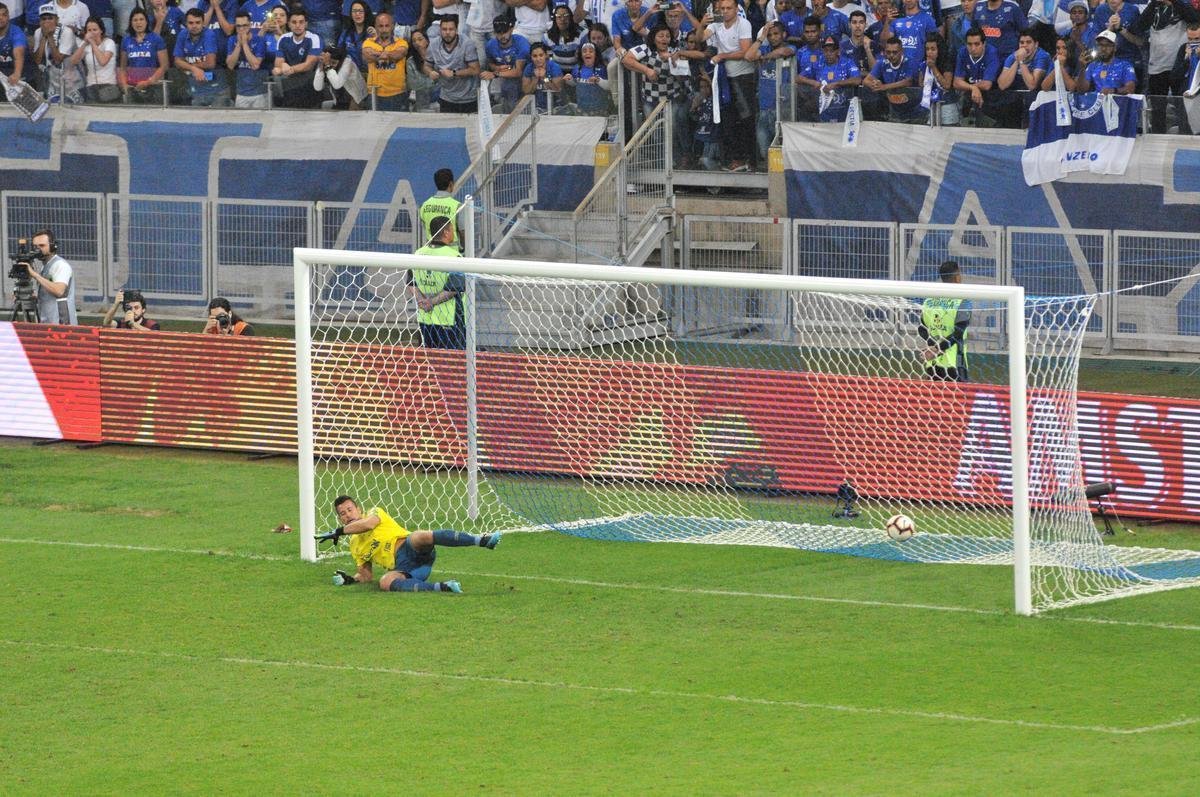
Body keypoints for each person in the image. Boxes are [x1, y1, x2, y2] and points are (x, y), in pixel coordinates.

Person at [322, 495, 501, 593]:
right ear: (339, 518)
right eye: (342, 514)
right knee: (385, 582)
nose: (348, 515)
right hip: (408, 570)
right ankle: (443, 587)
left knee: (417, 536)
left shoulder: (374, 512)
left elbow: (368, 525)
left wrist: (339, 531)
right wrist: (351, 579)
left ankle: (482, 540)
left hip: (412, 549)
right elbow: (366, 575)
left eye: (350, 509)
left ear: (358, 509)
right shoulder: (355, 545)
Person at [702, 0, 754, 172]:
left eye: (728, 8)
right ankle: (734, 159)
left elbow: (745, 52)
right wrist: (701, 24)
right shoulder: (716, 25)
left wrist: (722, 55)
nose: (725, 11)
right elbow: (699, 38)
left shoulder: (743, 23)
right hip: (725, 78)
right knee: (728, 120)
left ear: (736, 9)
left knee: (746, 118)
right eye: (722, 8)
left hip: (743, 76)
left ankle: (750, 159)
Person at [409, 215, 466, 349]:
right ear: (446, 232)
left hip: (424, 317)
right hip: (448, 318)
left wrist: (421, 301)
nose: (453, 233)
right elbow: (453, 288)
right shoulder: (453, 256)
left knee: (429, 358)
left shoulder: (418, 253)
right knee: (451, 360)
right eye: (452, 229)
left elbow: (411, 283)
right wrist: (431, 302)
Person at [918, 260, 970, 382]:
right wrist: (938, 350)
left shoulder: (929, 301)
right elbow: (958, 333)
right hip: (954, 363)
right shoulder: (962, 301)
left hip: (933, 364)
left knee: (935, 399)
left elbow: (922, 329)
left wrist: (932, 347)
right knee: (959, 400)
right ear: (957, 277)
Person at [175, 7, 230, 106]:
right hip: (195, 90)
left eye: (197, 22)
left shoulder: (209, 34)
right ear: (186, 24)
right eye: (191, 23)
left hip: (217, 90)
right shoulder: (182, 35)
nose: (194, 26)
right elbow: (177, 62)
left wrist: (188, 66)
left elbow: (210, 63)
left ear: (203, 23)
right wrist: (193, 68)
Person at [425, 13, 479, 112]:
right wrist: (430, 72)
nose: (447, 32)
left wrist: (454, 73)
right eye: (444, 29)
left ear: (457, 30)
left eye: (451, 29)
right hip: (446, 97)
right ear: (440, 30)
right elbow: (427, 65)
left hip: (468, 98)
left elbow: (475, 70)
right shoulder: (433, 45)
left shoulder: (467, 44)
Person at [273, 7, 323, 107]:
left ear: (306, 24)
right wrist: (282, 66)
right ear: (289, 24)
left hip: (309, 85)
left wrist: (290, 69)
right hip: (290, 84)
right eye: (294, 22)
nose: (298, 25)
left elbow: (309, 65)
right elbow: (278, 65)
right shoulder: (283, 38)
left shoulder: (314, 38)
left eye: (301, 22)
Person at [24, 229, 77, 325]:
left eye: (42, 246)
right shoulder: (45, 266)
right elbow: (49, 291)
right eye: (35, 246)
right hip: (48, 323)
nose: (38, 250)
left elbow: (59, 291)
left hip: (61, 324)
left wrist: (35, 275)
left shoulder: (60, 265)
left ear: (53, 246)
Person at [119, 7, 169, 103]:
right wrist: (124, 86)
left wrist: (148, 82)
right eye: (135, 20)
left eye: (141, 19)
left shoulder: (156, 39)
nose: (138, 23)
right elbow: (122, 68)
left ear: (146, 22)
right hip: (133, 88)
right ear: (131, 23)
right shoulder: (126, 40)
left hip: (153, 88)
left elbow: (164, 66)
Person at [362, 9, 409, 109]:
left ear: (392, 26)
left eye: (387, 26)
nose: (384, 29)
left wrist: (376, 53)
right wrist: (388, 54)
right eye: (380, 26)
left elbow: (399, 54)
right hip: (374, 93)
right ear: (375, 27)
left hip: (397, 93)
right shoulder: (368, 42)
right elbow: (367, 56)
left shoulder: (401, 43)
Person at [482, 15, 530, 112]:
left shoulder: (522, 43)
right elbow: (491, 64)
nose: (502, 36)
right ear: (494, 33)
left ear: (511, 30)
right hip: (504, 80)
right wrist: (497, 68)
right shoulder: (490, 45)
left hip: (524, 79)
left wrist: (495, 74)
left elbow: (518, 72)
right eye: (498, 33)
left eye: (505, 32)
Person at [68, 15, 120, 102]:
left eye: (95, 30)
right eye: (89, 30)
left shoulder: (109, 43)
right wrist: (84, 43)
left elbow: (103, 61)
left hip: (109, 86)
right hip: (91, 86)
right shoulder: (86, 45)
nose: (91, 33)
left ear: (101, 30)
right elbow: (73, 62)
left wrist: (92, 43)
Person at [226, 9, 270, 107]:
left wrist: (245, 43)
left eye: (245, 25)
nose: (241, 29)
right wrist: (238, 44)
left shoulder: (259, 40)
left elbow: (255, 65)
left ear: (250, 25)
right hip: (241, 93)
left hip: (259, 93)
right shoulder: (231, 40)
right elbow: (230, 65)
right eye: (238, 26)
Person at [1075, 28, 1136, 94]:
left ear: (1115, 48)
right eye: (1100, 45)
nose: (1103, 49)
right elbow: (1081, 90)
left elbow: (1130, 89)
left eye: (1107, 45)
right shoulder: (1092, 66)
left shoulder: (1125, 65)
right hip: (1097, 102)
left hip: (1117, 102)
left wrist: (1113, 91)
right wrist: (1082, 68)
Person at [419, 167, 462, 247]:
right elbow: (464, 234)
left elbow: (425, 228)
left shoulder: (424, 205)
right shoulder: (457, 206)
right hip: (451, 254)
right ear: (451, 184)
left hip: (431, 253)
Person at [0, 3, 28, 91]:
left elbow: (18, 53)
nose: (0, 18)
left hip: (21, 76)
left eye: (4, 15)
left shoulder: (17, 32)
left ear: (8, 16)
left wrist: (17, 73)